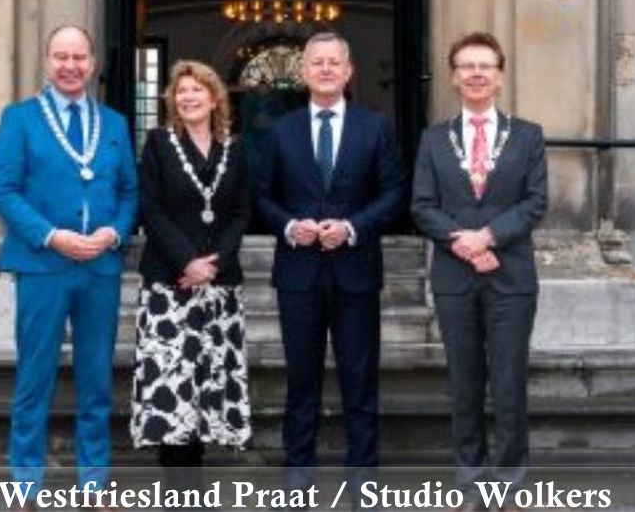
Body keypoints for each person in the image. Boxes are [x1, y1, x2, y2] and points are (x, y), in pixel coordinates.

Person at [0, 24, 139, 488]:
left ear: (92, 64)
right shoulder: (20, 118)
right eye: (61, 57)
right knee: (35, 379)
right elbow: (2, 191)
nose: (70, 66)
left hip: (100, 266)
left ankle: (93, 483)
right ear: (47, 62)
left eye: (79, 58)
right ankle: (25, 485)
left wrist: (114, 232)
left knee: (96, 383)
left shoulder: (113, 123)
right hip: (43, 265)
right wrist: (52, 236)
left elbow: (130, 193)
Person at [255, 32, 406, 474]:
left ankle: (363, 474)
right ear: (303, 72)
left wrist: (352, 227)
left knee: (359, 380)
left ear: (348, 70)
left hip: (356, 272)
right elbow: (262, 196)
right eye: (316, 62)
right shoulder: (280, 131)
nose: (324, 69)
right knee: (301, 380)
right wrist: (288, 226)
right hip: (298, 275)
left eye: (333, 62)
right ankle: (298, 469)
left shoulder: (375, 127)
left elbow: (395, 192)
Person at [411, 32, 549, 506]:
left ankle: (510, 472)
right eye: (466, 66)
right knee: (464, 381)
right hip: (454, 277)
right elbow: (422, 206)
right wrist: (463, 243)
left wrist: (488, 237)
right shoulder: (433, 139)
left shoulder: (528, 136)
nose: (475, 73)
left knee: (508, 379)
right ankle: (469, 471)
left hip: (511, 278)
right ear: (453, 76)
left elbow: (535, 203)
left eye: (485, 66)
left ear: (499, 76)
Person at [130, 61, 253, 488]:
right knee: (173, 386)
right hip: (170, 284)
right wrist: (188, 261)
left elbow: (241, 212)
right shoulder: (159, 143)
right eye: (181, 91)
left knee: (206, 382)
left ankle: (196, 483)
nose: (188, 97)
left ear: (215, 97)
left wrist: (213, 262)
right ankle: (178, 488)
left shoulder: (234, 148)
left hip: (219, 286)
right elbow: (150, 208)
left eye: (197, 90)